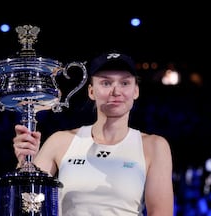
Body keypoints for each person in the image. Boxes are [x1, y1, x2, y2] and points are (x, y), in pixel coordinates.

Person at [13, 51, 174, 216]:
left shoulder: (154, 146)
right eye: (106, 83)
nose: (116, 91)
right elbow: (28, 204)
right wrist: (25, 164)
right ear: (91, 91)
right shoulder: (60, 142)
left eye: (125, 83)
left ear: (136, 91)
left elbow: (161, 212)